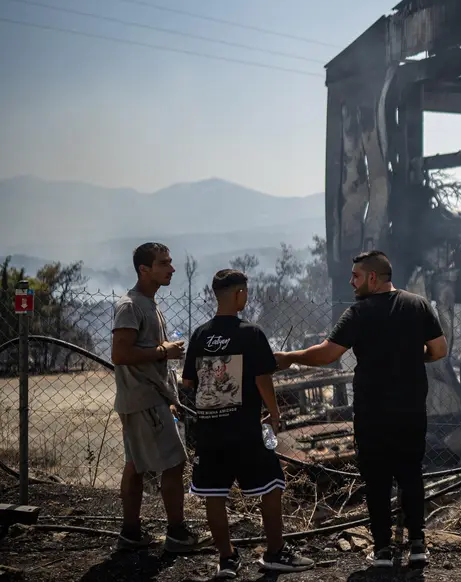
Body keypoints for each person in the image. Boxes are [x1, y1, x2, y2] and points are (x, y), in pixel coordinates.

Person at [275, 250, 448, 568]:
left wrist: (290, 357)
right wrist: (410, 356)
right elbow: (439, 350)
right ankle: (418, 546)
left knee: (377, 479)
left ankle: (382, 549)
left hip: (372, 413)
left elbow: (327, 354)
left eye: (355, 276)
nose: (351, 282)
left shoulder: (359, 312)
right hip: (411, 410)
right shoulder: (418, 305)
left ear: (372, 277)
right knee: (411, 475)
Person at [181, 269, 314, 577]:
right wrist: (275, 412)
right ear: (239, 294)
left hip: (210, 431)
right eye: (246, 291)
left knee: (214, 493)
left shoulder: (200, 334)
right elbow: (262, 377)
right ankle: (275, 553)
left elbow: (188, 381)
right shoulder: (250, 333)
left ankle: (226, 559)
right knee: (272, 485)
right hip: (244, 430)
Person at [109, 242, 203, 552]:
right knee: (174, 462)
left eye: (170, 262)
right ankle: (176, 533)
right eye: (164, 263)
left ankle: (131, 533)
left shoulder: (149, 304)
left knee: (136, 465)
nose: (172, 269)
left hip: (150, 399)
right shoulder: (131, 306)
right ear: (143, 269)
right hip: (144, 401)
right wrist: (166, 350)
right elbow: (120, 353)